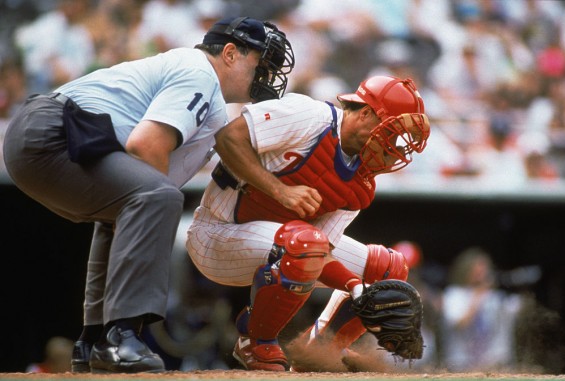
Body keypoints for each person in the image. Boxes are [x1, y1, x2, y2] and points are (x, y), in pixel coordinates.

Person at [3, 16, 295, 374]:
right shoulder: (200, 71)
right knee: (157, 197)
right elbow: (146, 146)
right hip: (51, 131)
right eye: (261, 62)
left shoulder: (211, 99)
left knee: (132, 207)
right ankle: (121, 336)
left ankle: (95, 338)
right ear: (231, 53)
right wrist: (154, 207)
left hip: (47, 135)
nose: (267, 74)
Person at [186, 74, 430, 371]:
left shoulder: (361, 181)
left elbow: (323, 254)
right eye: (390, 133)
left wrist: (356, 287)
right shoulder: (309, 117)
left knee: (389, 268)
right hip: (216, 234)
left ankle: (319, 354)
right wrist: (281, 192)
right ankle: (256, 341)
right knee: (304, 243)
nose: (393, 147)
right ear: (366, 113)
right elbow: (228, 138)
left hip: (280, 247)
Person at [440, 247, 523, 372]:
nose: (481, 274)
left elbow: (518, 313)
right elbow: (459, 324)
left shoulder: (496, 297)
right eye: (476, 270)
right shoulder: (454, 295)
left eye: (484, 269)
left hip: (494, 366)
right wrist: (478, 297)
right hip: (462, 365)